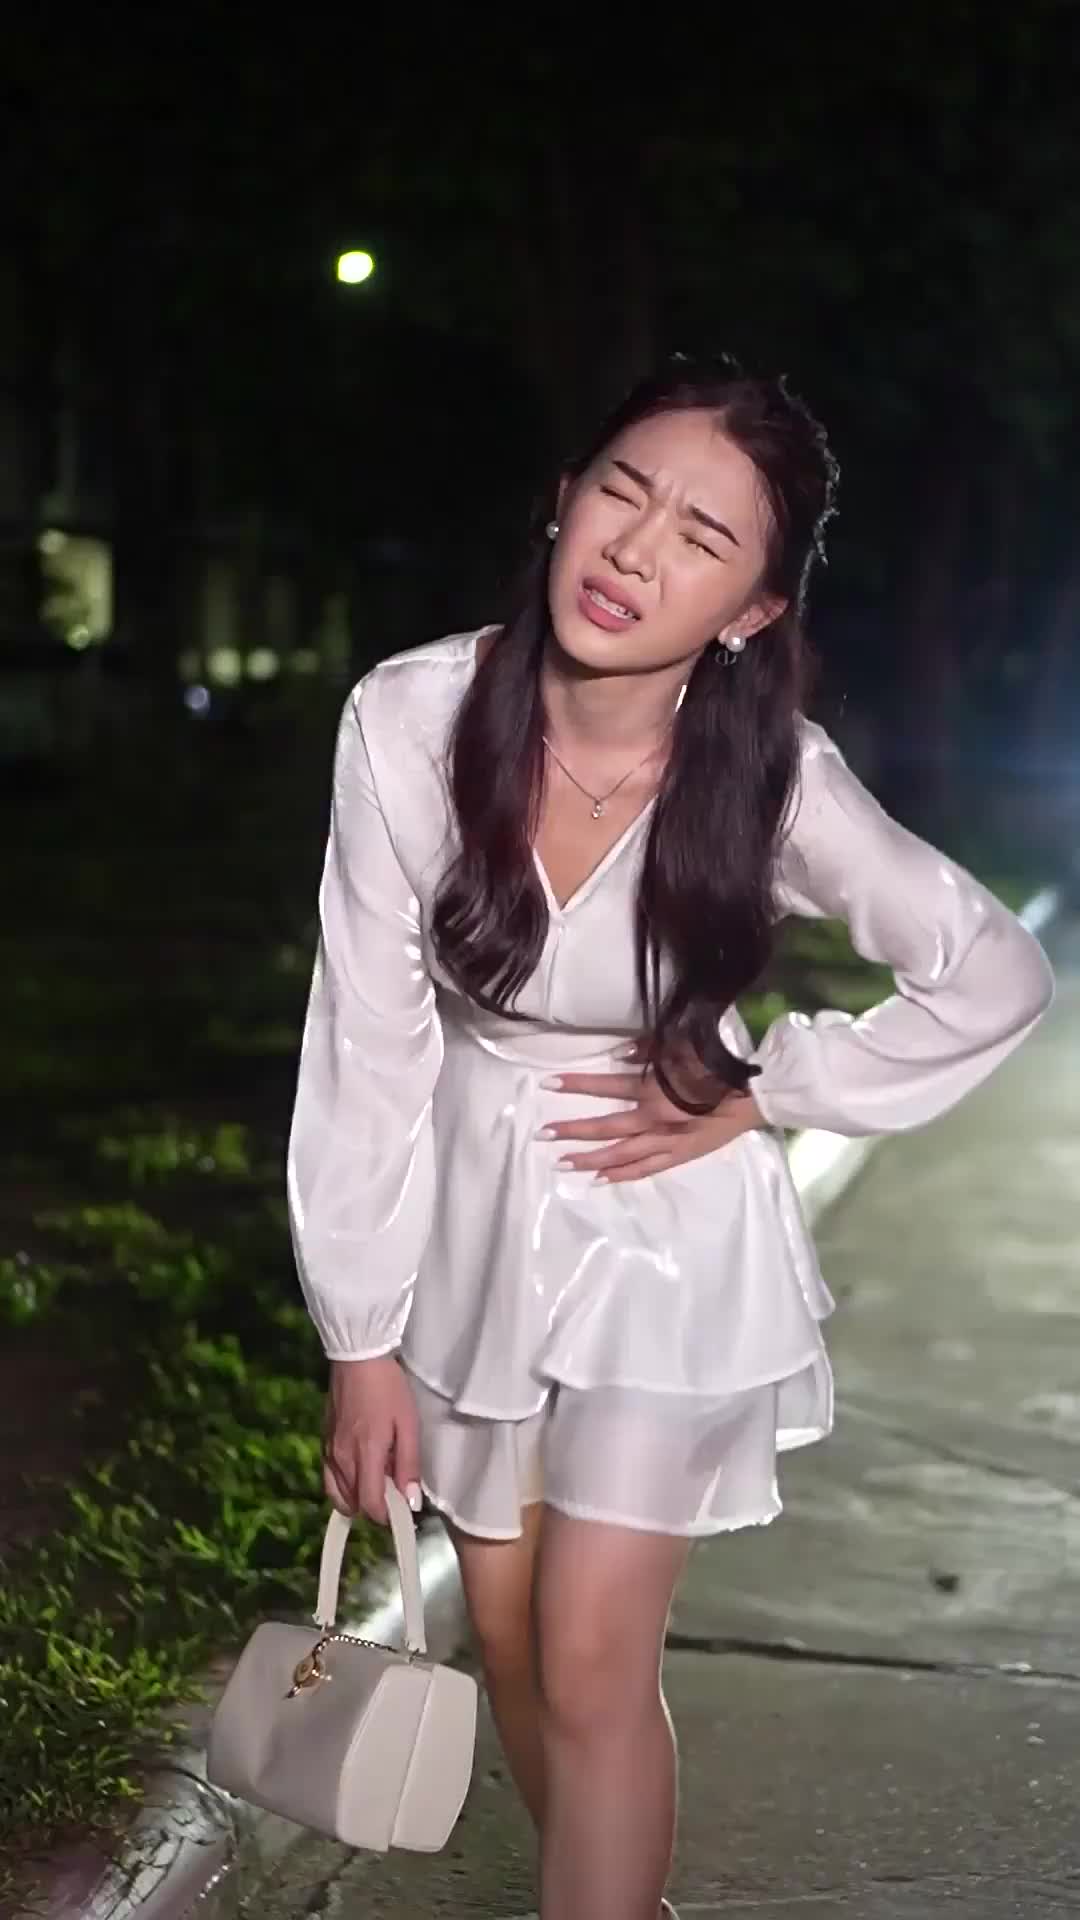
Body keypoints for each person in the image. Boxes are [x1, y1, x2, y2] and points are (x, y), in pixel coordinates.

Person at [287, 354, 1054, 1920]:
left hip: (669, 1235)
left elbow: (993, 970)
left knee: (591, 1653)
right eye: (624, 494)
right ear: (564, 498)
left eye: (701, 537)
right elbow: (368, 1045)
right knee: (515, 1654)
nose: (636, 551)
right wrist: (359, 1339)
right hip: (473, 1229)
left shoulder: (771, 777)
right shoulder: (411, 718)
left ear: (753, 609)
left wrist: (769, 1086)